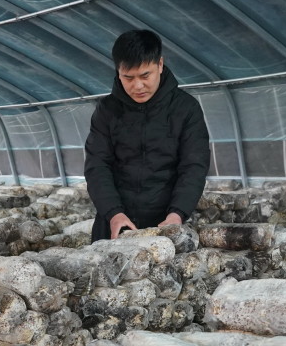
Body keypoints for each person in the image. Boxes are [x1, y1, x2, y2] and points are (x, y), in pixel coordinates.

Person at [83, 29, 210, 242]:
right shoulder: (107, 110)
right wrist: (113, 212)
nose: (138, 86)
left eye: (145, 75)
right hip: (115, 225)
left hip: (165, 223)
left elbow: (194, 166)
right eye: (128, 77)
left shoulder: (185, 108)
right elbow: (97, 165)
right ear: (118, 72)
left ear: (160, 65)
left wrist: (177, 213)